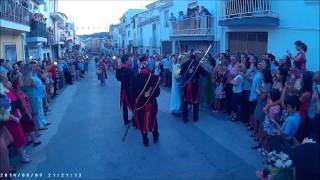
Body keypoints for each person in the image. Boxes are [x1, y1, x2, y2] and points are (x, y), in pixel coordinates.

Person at [131, 56, 160, 146]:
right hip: (152, 103)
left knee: (142, 121)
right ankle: (155, 137)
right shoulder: (154, 78)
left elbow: (133, 95)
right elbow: (157, 93)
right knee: (153, 120)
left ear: (139, 66)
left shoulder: (135, 79)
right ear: (147, 66)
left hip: (141, 105)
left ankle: (145, 140)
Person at [180, 52, 208, 123]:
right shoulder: (198, 64)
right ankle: (195, 117)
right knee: (195, 101)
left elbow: (181, 73)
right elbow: (205, 73)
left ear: (189, 57)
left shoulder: (185, 63)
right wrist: (204, 66)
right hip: (194, 85)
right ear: (195, 57)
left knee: (185, 101)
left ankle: (184, 117)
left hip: (186, 85)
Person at [116, 55, 134, 125]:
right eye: (129, 59)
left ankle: (126, 121)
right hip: (129, 90)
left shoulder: (119, 70)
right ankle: (135, 121)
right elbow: (133, 81)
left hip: (123, 89)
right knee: (133, 105)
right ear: (126, 61)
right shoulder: (129, 71)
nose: (130, 60)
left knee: (125, 106)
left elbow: (118, 78)